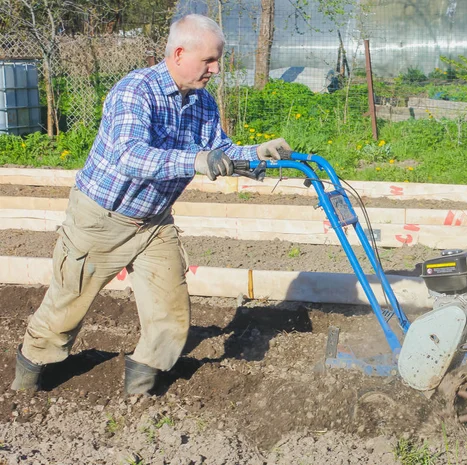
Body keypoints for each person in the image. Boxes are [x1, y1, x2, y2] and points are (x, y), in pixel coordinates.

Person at [11, 14, 291, 395]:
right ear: (179, 53)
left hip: (154, 223)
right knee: (65, 311)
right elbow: (130, 156)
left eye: (218, 60)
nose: (216, 68)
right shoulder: (135, 91)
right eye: (209, 60)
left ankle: (140, 391)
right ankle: (25, 384)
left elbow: (221, 152)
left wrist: (257, 155)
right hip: (99, 221)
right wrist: (194, 160)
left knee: (170, 314)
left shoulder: (203, 103)